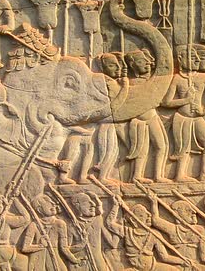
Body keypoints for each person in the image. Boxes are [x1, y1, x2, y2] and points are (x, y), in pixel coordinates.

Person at [162, 44, 205, 182]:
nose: (196, 61)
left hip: (197, 117)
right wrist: (185, 100)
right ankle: (179, 175)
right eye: (192, 58)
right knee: (183, 147)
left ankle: (204, 172)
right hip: (182, 118)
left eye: (197, 58)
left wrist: (203, 111)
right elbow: (166, 102)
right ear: (181, 59)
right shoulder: (177, 79)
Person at [125, 49, 170, 183]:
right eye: (140, 62)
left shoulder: (153, 80)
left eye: (146, 61)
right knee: (142, 149)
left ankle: (158, 175)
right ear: (133, 65)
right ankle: (136, 176)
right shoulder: (131, 83)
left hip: (152, 116)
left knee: (162, 146)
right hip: (139, 120)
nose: (145, 64)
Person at [149, 193, 205, 271]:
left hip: (195, 265)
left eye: (192, 209)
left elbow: (203, 258)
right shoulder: (173, 229)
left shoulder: (199, 230)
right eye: (187, 210)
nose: (193, 212)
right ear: (178, 214)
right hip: (178, 266)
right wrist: (154, 203)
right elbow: (155, 221)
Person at [21, 194, 81, 271]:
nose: (53, 204)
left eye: (52, 202)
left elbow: (64, 248)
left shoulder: (60, 224)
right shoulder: (34, 225)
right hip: (38, 260)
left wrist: (74, 260)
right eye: (48, 203)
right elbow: (25, 248)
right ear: (39, 209)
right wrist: (41, 246)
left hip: (54, 259)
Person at [94, 52, 129, 183]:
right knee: (109, 149)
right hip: (108, 122)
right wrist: (125, 87)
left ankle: (105, 175)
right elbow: (115, 104)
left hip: (114, 121)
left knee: (114, 150)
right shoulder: (104, 82)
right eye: (112, 66)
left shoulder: (112, 82)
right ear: (103, 67)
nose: (117, 69)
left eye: (118, 65)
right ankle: (102, 177)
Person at [123, 204, 188, 271]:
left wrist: (182, 261)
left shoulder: (154, 234)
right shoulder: (127, 232)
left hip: (152, 267)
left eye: (148, 213)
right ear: (133, 220)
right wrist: (115, 206)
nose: (149, 215)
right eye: (142, 215)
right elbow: (111, 225)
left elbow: (164, 257)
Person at [68, 192, 121, 271]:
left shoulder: (97, 221)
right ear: (77, 206)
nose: (92, 204)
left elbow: (113, 244)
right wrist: (81, 245)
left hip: (98, 263)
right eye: (87, 202)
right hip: (80, 264)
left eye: (92, 202)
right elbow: (66, 250)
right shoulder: (72, 226)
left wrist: (118, 230)